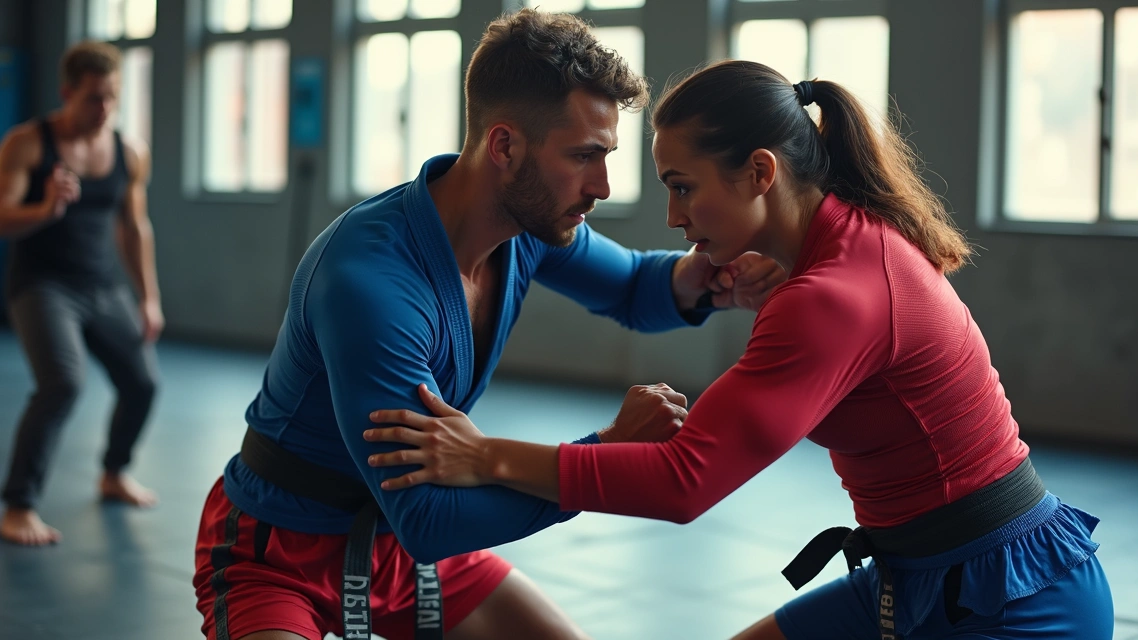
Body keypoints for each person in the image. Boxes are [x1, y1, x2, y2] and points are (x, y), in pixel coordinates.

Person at [363, 60, 1116, 639]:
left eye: (685, 188)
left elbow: (683, 482)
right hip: (921, 575)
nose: (673, 215)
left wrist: (485, 455)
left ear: (760, 172)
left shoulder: (829, 297)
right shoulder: (842, 244)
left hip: (1010, 601)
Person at [191, 12, 784, 640]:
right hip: (279, 551)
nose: (603, 186)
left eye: (605, 157)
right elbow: (427, 516)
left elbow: (636, 287)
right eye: (584, 156)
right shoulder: (371, 282)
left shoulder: (526, 229)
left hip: (396, 550)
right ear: (504, 147)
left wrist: (708, 280)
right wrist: (602, 454)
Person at [0, 41, 162, 547]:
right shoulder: (26, 144)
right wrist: (46, 209)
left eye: (112, 97)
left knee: (143, 382)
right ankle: (18, 506)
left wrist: (148, 297)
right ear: (67, 92)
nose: (104, 109)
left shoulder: (129, 150)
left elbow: (134, 227)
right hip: (42, 285)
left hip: (101, 285)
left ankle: (114, 473)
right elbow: (3, 217)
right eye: (93, 98)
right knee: (63, 383)